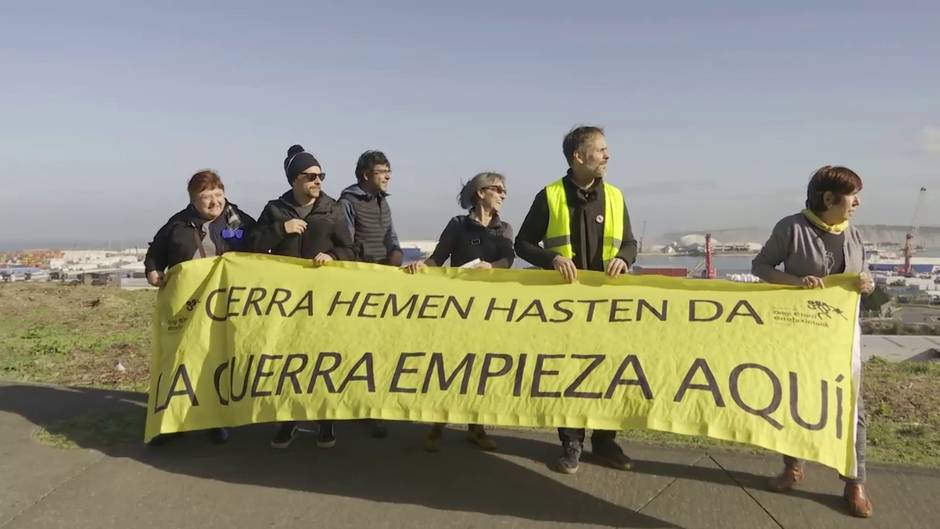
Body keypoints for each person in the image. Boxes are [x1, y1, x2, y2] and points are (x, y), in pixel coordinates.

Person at [751, 165, 874, 518]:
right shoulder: (791, 228)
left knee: (853, 410)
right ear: (829, 198)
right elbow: (760, 267)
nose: (858, 203)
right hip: (799, 335)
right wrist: (793, 282)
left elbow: (864, 277)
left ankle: (854, 481)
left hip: (841, 338)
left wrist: (868, 283)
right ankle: (793, 466)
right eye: (853, 196)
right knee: (794, 399)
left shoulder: (853, 233)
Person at [514, 125, 638, 474]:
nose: (607, 156)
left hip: (607, 305)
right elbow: (522, 243)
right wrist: (551, 259)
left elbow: (630, 243)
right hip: (565, 307)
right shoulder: (550, 195)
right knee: (570, 373)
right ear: (578, 156)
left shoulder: (614, 196)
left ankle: (605, 440)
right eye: (601, 150)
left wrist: (624, 259)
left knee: (609, 371)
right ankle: (571, 443)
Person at [250, 144, 356, 450]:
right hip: (285, 301)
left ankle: (325, 419)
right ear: (294, 180)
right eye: (311, 176)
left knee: (322, 358)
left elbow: (351, 249)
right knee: (288, 360)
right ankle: (288, 419)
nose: (318, 180)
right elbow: (253, 245)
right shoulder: (275, 209)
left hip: (324, 299)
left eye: (321, 175)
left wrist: (334, 255)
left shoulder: (333, 208)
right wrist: (281, 229)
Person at [144, 169, 256, 445]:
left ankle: (215, 421)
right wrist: (152, 270)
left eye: (219, 195)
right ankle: (171, 422)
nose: (214, 202)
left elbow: (263, 242)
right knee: (180, 359)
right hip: (186, 305)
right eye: (206, 198)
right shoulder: (178, 224)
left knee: (216, 359)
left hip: (225, 306)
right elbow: (156, 251)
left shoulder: (238, 219)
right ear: (193, 200)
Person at [404, 171, 515, 452]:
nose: (503, 195)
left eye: (504, 191)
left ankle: (476, 428)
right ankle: (437, 426)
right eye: (498, 189)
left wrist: (494, 267)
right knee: (451, 366)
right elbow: (438, 258)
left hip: (490, 310)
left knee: (480, 369)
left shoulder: (504, 229)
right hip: (458, 309)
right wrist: (420, 267)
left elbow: (508, 259)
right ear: (481, 193)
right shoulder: (457, 225)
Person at [339, 150, 403, 438]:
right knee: (359, 348)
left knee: (381, 347)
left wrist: (396, 255)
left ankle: (373, 405)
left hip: (383, 283)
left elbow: (391, 237)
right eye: (382, 171)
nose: (388, 176)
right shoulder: (348, 203)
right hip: (360, 286)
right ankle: (360, 405)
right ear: (366, 175)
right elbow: (346, 243)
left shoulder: (383, 203)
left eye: (389, 171)